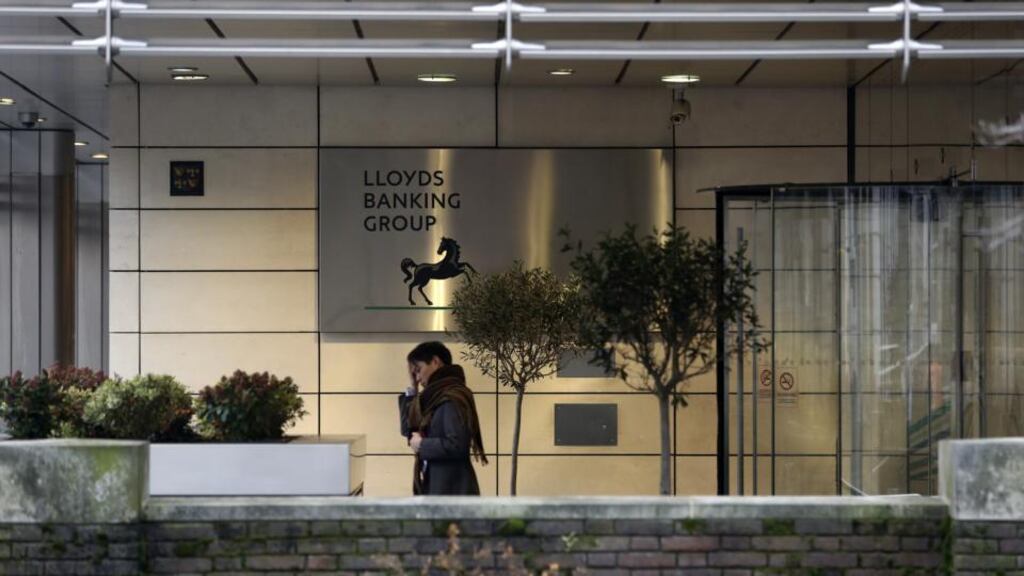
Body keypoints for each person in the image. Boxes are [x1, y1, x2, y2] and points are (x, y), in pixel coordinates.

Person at [398, 341, 487, 495]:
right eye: (414, 374)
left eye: (418, 370)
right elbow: (409, 430)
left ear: (435, 362)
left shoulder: (452, 396)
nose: (417, 377)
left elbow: (457, 445)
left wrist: (422, 444)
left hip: (453, 490)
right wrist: (412, 389)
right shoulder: (434, 397)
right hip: (441, 486)